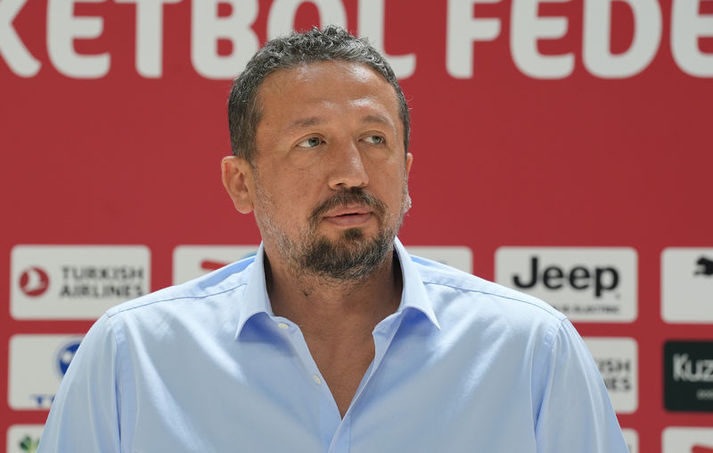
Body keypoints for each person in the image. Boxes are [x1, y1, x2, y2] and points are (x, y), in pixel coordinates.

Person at [38, 26, 628, 452]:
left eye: (374, 139)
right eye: (312, 142)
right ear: (241, 183)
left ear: (406, 171)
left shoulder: (530, 352)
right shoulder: (132, 357)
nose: (352, 173)